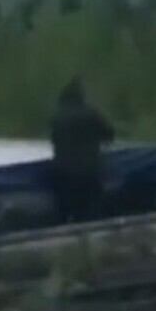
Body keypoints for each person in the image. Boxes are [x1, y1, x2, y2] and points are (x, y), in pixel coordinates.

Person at [49, 77, 115, 222]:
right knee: (91, 212)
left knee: (63, 213)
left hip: (62, 173)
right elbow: (109, 135)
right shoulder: (91, 114)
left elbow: (54, 140)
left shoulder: (57, 117)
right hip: (89, 173)